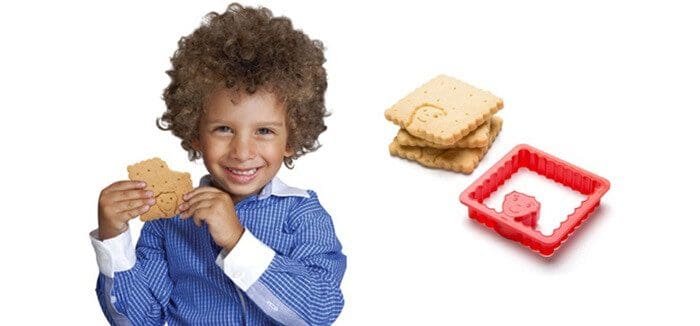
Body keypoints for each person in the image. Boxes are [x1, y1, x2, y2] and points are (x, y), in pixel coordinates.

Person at [89, 3, 346, 325]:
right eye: (224, 129)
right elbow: (138, 321)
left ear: (291, 141)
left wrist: (237, 240)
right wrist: (114, 238)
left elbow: (320, 310)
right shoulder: (168, 220)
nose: (242, 151)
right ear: (195, 133)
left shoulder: (302, 213)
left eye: (264, 131)